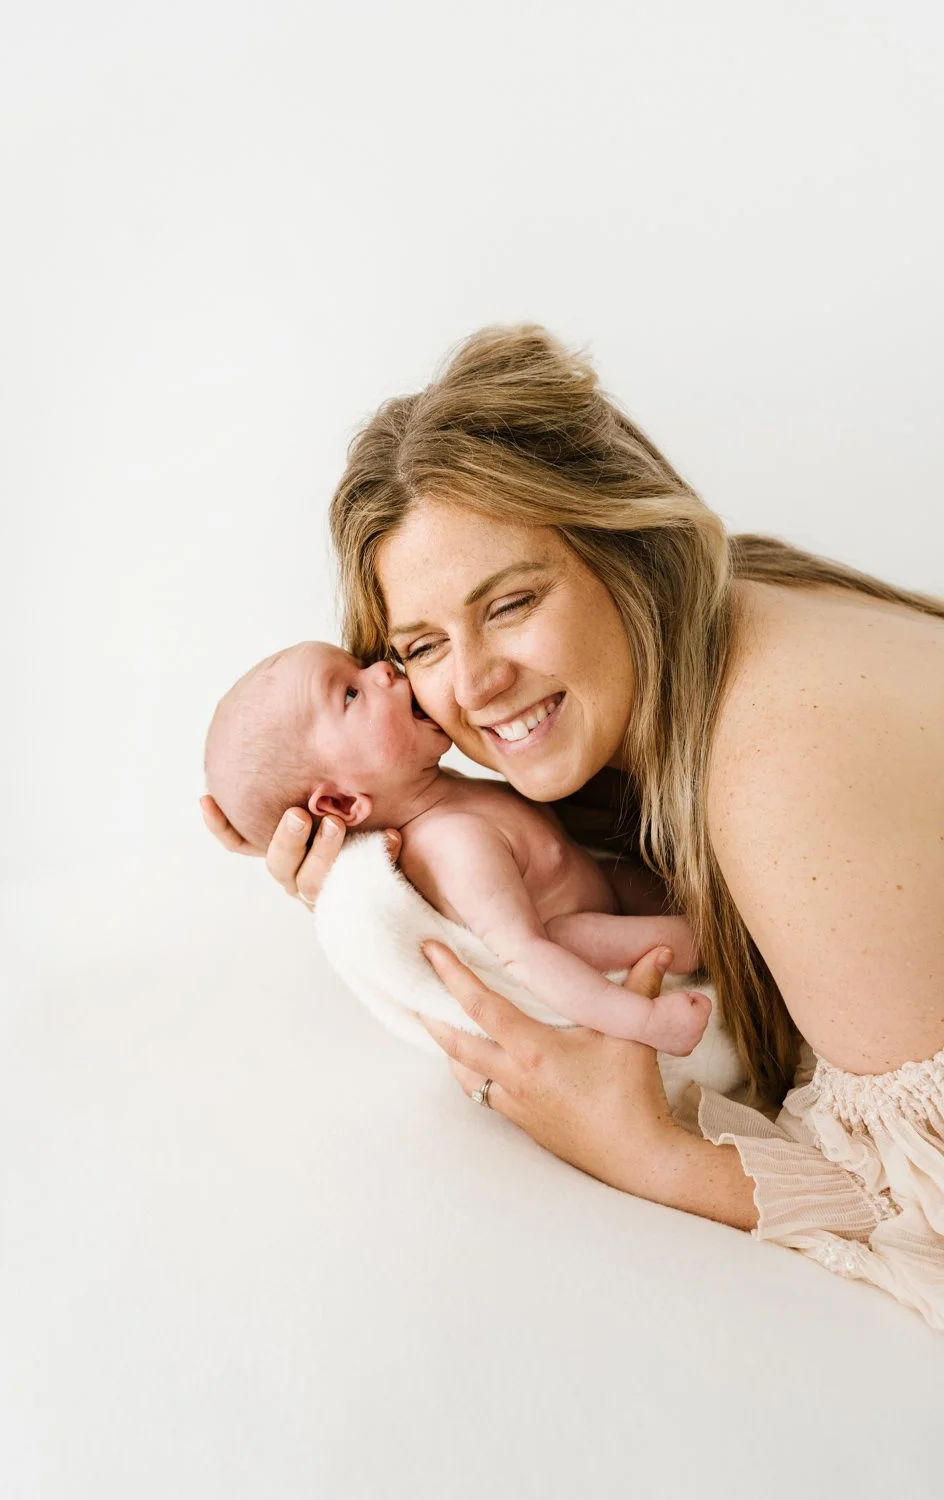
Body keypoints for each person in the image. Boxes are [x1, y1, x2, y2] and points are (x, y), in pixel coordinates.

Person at [201, 324, 944, 1329]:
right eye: (422, 646)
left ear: (622, 546)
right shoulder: (724, 609)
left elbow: (924, 1213)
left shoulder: (776, 770)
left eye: (510, 604)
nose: (473, 685)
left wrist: (645, 1155)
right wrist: (375, 881)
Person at [202, 639, 710, 1053]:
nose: (383, 669)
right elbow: (527, 958)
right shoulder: (454, 844)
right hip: (582, 963)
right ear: (340, 803)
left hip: (602, 888)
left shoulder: (444, 793)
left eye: (360, 664)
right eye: (351, 694)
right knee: (639, 935)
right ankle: (696, 946)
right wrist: (644, 1021)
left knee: (658, 882)